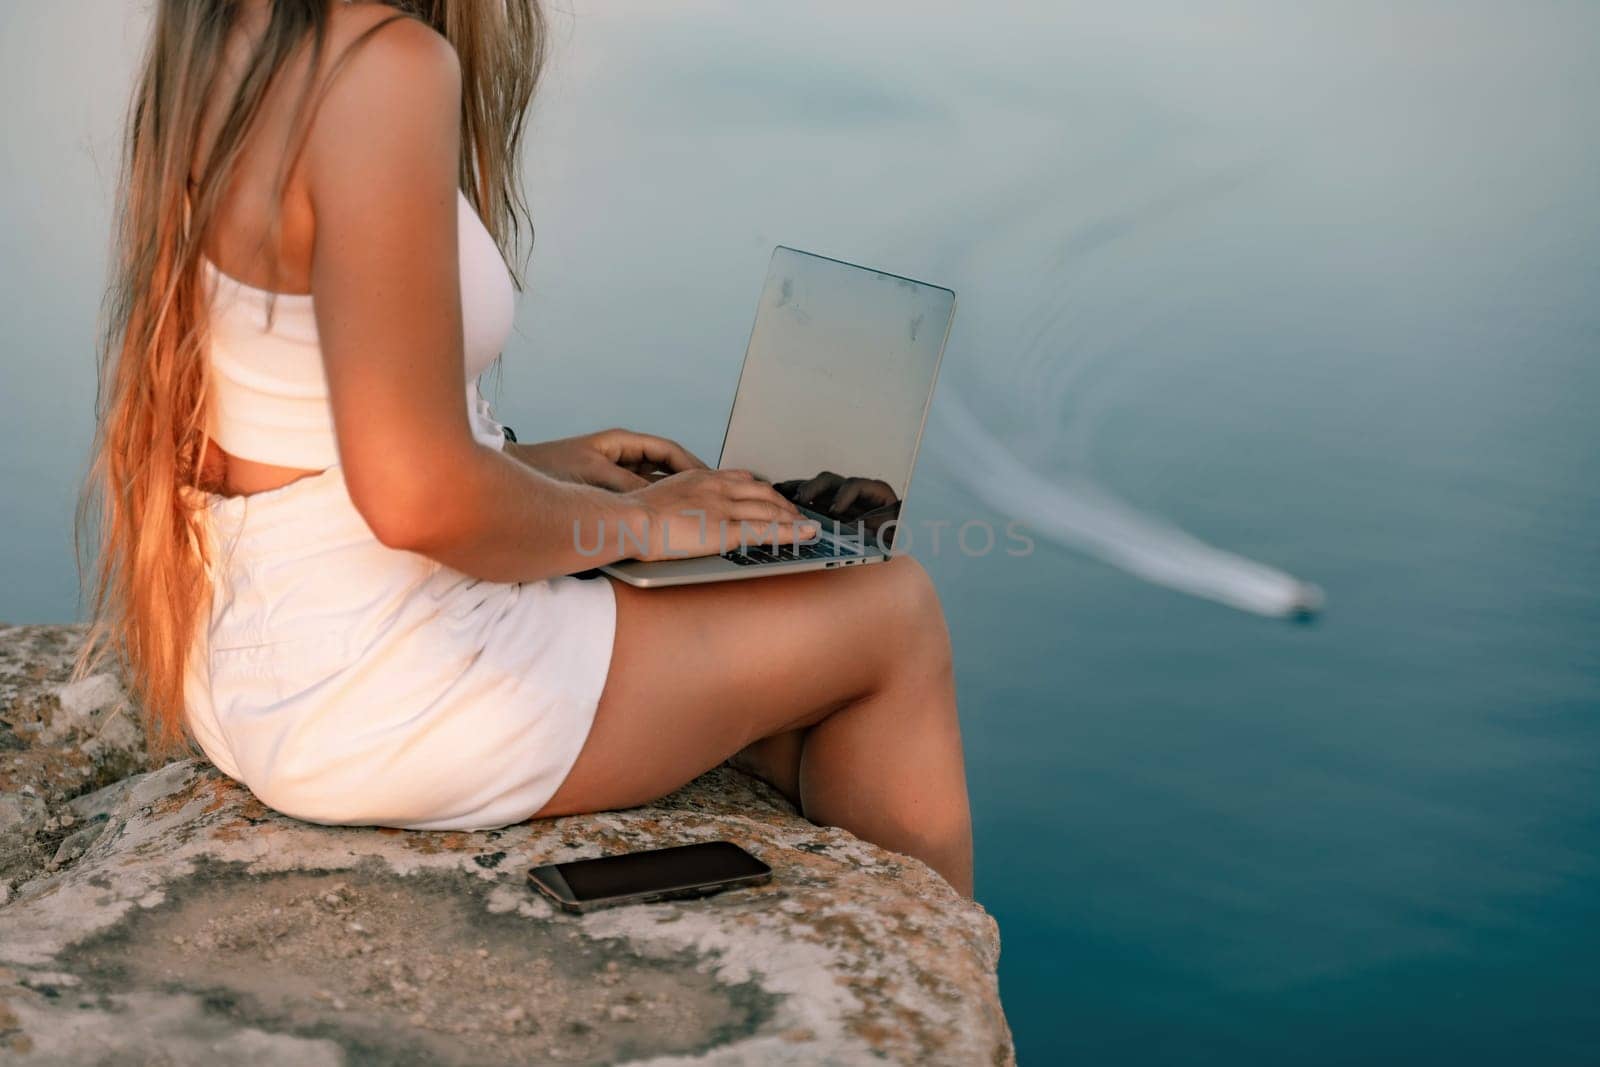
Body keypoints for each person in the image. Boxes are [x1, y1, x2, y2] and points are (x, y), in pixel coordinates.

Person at [74, 0, 972, 896]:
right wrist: (643, 525)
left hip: (252, 659)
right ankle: (933, 1005)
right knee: (889, 608)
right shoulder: (381, 66)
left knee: (781, 652)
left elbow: (285, 415)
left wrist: (524, 468)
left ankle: (835, 934)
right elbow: (419, 501)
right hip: (384, 683)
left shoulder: (236, 31)